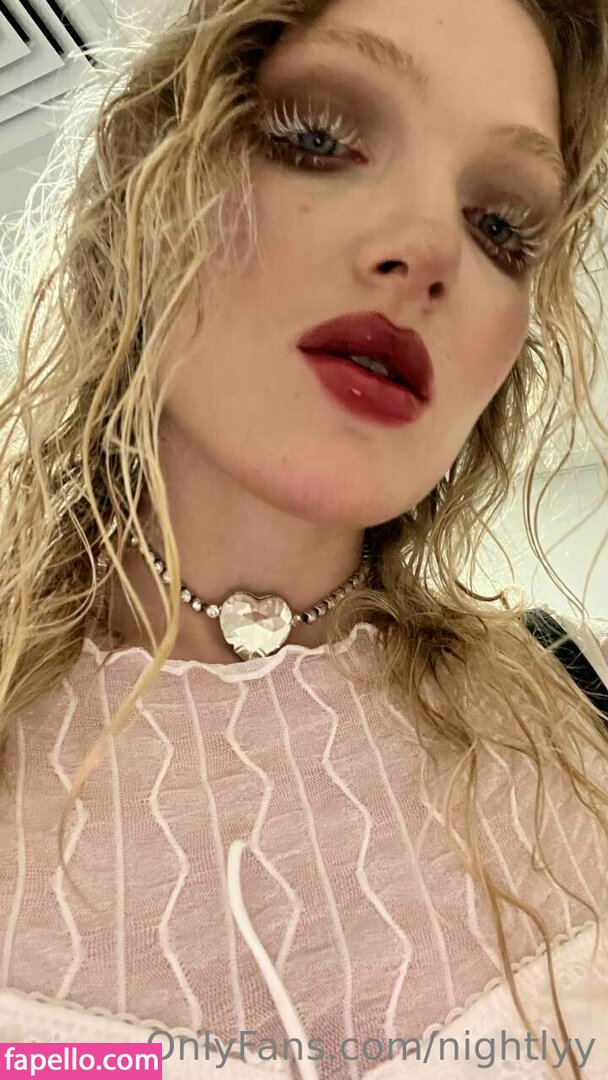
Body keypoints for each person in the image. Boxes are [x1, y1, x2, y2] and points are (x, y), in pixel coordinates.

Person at [0, 0, 607, 1076]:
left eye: (501, 226)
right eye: (318, 137)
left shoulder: (580, 703)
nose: (430, 252)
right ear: (152, 187)